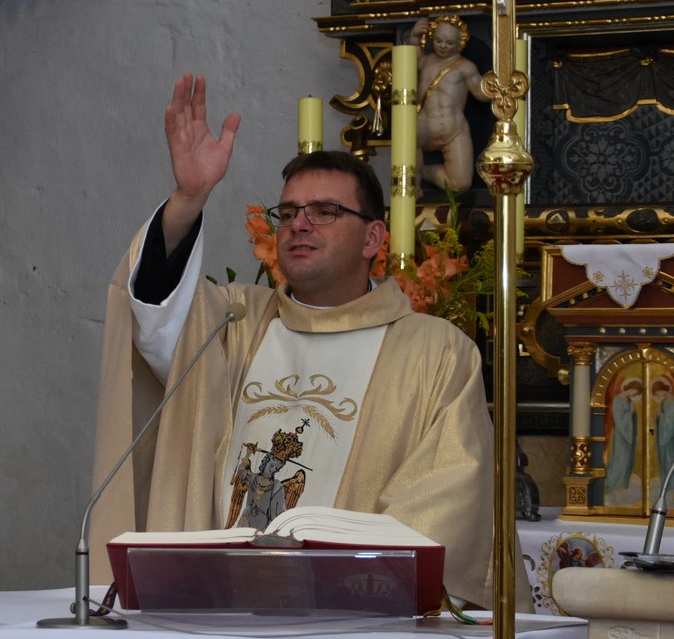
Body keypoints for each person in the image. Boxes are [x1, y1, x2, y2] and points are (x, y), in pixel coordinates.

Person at [91, 73, 494, 604]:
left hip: (350, 618)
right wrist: (189, 198)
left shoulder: (435, 352)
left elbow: (448, 494)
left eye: (325, 212)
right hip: (216, 607)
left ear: (373, 237)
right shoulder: (233, 324)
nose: (300, 224)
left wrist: (339, 581)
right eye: (288, 213)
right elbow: (157, 314)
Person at [408, 14, 491, 192]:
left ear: (460, 43)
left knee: (461, 184)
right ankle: (414, 182)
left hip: (454, 132)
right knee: (407, 137)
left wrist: (501, 85)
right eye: (438, 41)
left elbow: (482, 94)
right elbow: (409, 58)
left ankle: (424, 171)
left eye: (449, 43)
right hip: (424, 129)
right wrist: (415, 36)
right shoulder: (426, 61)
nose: (443, 46)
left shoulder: (466, 67)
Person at [604, 376, 642, 505]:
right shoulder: (618, 400)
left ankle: (623, 485)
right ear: (631, 388)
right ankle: (616, 485)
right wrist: (629, 414)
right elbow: (619, 419)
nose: (635, 395)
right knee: (620, 460)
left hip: (628, 435)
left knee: (627, 461)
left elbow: (632, 418)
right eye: (635, 392)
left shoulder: (628, 400)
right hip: (621, 436)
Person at [652, 376, 674, 508]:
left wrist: (660, 415)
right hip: (663, 438)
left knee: (671, 461)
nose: (658, 396)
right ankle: (666, 487)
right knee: (664, 462)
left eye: (657, 393)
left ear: (662, 390)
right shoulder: (665, 401)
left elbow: (671, 420)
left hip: (670, 440)